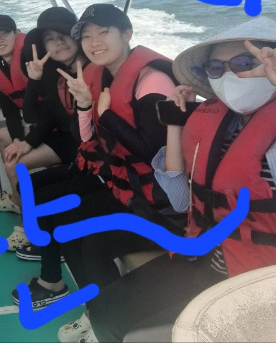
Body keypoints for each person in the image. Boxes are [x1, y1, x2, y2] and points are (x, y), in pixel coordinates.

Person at [88, 17, 276, 343]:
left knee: (138, 336)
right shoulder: (216, 119)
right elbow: (180, 199)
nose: (231, 74)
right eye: (216, 68)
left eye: (245, 63)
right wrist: (175, 124)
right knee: (106, 309)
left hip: (258, 284)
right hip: (203, 258)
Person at [12, 4, 183, 340]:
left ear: (127, 33)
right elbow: (84, 137)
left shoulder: (153, 81)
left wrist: (105, 115)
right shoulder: (104, 76)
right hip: (128, 190)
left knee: (87, 239)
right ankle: (96, 309)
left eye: (103, 32)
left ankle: (108, 324)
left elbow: (153, 154)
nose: (94, 42)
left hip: (161, 206)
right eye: (88, 35)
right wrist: (85, 105)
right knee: (62, 221)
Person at [6, 7, 89, 255]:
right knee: (16, 165)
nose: (59, 42)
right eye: (50, 38)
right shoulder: (54, 71)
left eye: (64, 34)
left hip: (87, 145)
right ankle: (32, 231)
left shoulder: (95, 68)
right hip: (67, 138)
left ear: (77, 36)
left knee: (42, 188)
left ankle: (47, 236)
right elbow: (33, 116)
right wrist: (34, 79)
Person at [0, 14, 40, 220]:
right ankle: (19, 202)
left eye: (4, 33)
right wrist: (17, 139)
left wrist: (28, 143)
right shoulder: (0, 68)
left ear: (17, 33)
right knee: (3, 135)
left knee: (13, 164)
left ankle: (28, 222)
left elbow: (52, 111)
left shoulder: (31, 59)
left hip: (54, 128)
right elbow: (10, 113)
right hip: (37, 125)